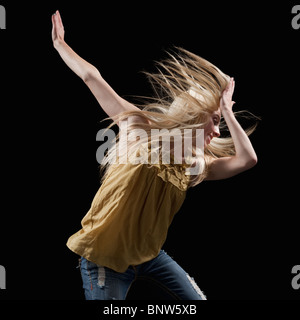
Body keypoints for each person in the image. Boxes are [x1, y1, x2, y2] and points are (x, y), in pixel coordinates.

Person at [51, 10, 258, 300]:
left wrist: (227, 113)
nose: (217, 132)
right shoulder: (137, 129)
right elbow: (91, 76)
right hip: (103, 258)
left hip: (150, 257)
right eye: (214, 121)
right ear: (193, 118)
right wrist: (60, 44)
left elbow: (248, 160)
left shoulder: (196, 166)